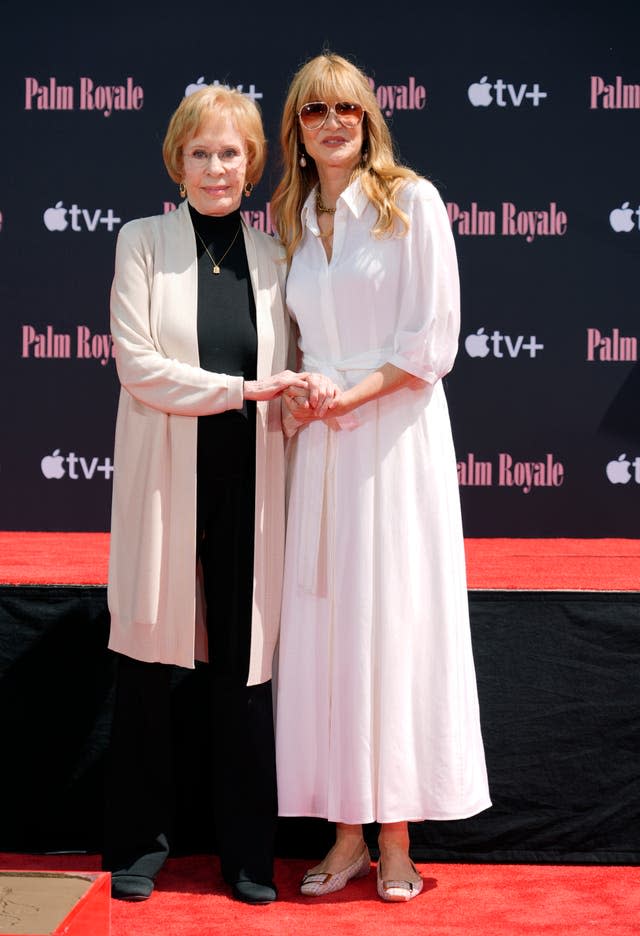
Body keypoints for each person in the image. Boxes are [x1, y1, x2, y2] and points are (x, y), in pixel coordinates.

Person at [272, 52, 491, 903]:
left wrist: (343, 398)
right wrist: (300, 404)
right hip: (323, 450)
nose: (334, 122)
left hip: (393, 443)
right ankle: (346, 835)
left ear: (369, 119)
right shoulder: (292, 220)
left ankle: (397, 839)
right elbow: (297, 352)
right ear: (295, 127)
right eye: (315, 110)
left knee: (391, 627)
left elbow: (430, 343)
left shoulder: (414, 203)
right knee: (328, 635)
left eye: (349, 110)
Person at [103, 84, 306, 905]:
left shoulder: (276, 258)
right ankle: (141, 844)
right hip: (166, 480)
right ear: (177, 162)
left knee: (244, 676)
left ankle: (248, 855)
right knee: (147, 666)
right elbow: (137, 366)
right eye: (201, 153)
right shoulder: (142, 242)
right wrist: (243, 391)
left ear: (252, 165)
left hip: (251, 485)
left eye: (230, 153)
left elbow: (290, 372)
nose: (216, 167)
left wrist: (295, 396)